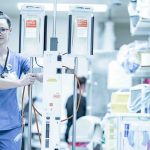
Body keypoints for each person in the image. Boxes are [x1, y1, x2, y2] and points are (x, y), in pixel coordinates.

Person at [0, 11, 41, 150]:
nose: (0, 33)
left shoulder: (19, 59)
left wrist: (46, 71)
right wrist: (19, 82)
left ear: (10, 31)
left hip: (10, 126)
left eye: (3, 29)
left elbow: (37, 73)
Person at [65, 77, 87, 143]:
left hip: (68, 132)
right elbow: (81, 118)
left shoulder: (69, 98)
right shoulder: (82, 99)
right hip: (77, 134)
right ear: (83, 86)